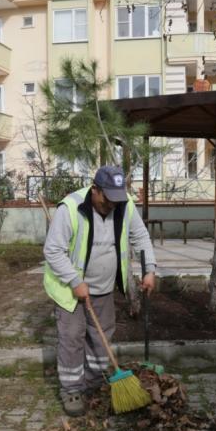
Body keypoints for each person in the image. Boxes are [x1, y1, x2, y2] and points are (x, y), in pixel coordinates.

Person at [43, 166, 157, 417]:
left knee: (101, 335)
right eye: (107, 200)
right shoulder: (70, 208)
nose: (112, 206)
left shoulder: (122, 203)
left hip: (103, 287)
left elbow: (141, 237)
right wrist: (74, 280)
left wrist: (149, 269)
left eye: (117, 199)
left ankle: (93, 382)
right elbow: (52, 251)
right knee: (72, 337)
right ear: (94, 190)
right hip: (69, 288)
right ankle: (72, 389)